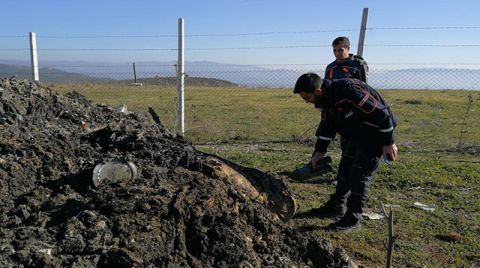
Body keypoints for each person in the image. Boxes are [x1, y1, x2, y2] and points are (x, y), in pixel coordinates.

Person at [293, 72, 398, 231]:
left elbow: (381, 114)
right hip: (355, 135)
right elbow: (327, 126)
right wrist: (318, 154)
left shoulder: (348, 90)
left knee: (359, 175)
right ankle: (335, 207)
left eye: (307, 98)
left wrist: (388, 142)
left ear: (317, 91)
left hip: (375, 133)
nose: (307, 102)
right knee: (344, 170)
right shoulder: (327, 100)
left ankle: (353, 217)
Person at [291, 37, 369, 180]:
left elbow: (364, 87)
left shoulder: (358, 65)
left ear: (348, 49)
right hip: (333, 108)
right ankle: (330, 168)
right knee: (333, 135)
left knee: (353, 144)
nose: (337, 53)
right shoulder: (331, 67)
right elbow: (323, 87)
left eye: (340, 50)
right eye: (334, 50)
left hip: (353, 110)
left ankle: (351, 175)